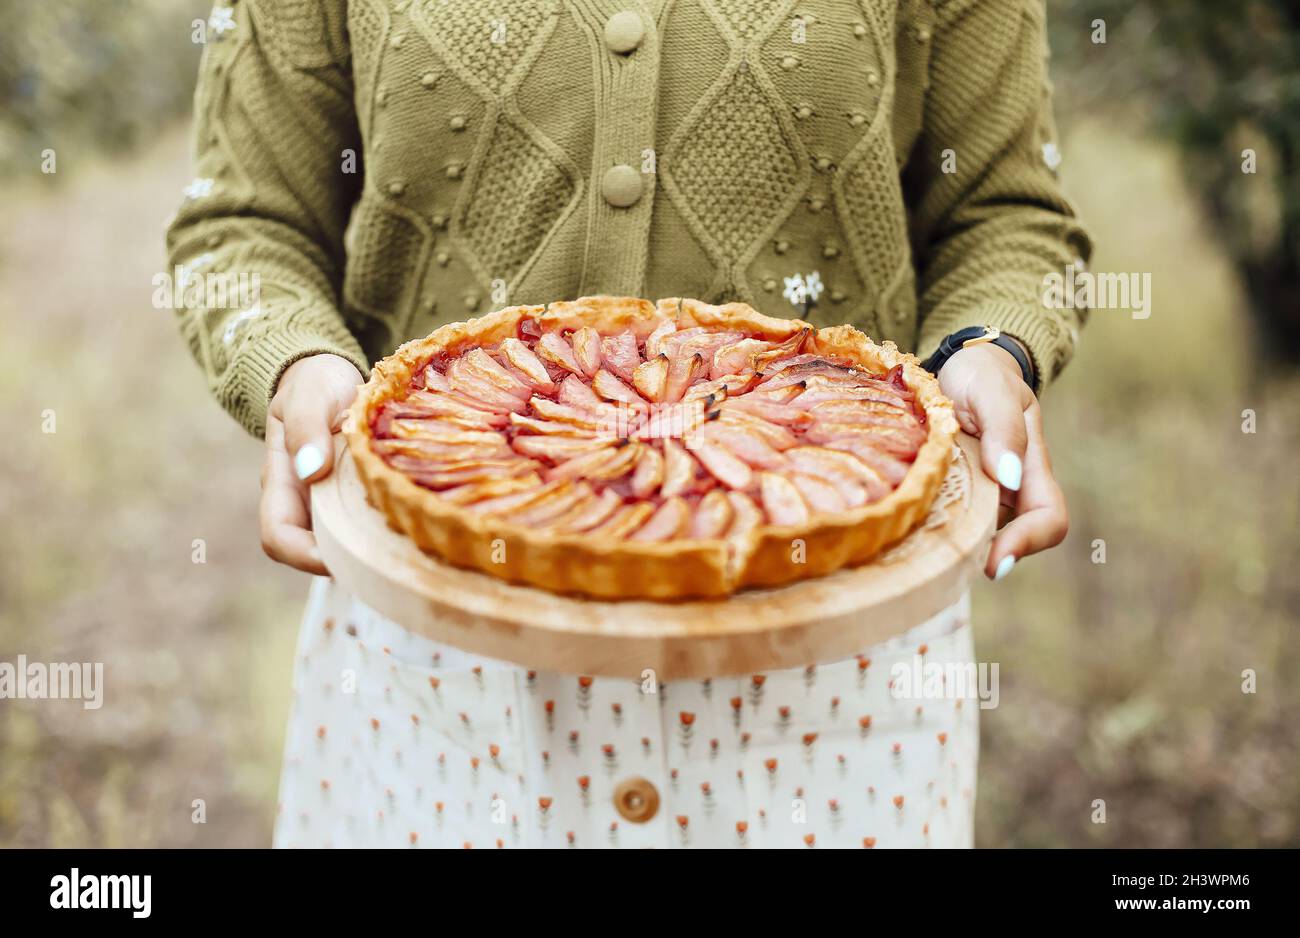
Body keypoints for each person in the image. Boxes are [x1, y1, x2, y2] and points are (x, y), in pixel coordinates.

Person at [168, 0, 1089, 848]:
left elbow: (1004, 214)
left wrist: (990, 347)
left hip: (828, 658)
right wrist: (297, 361)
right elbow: (243, 226)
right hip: (441, 673)